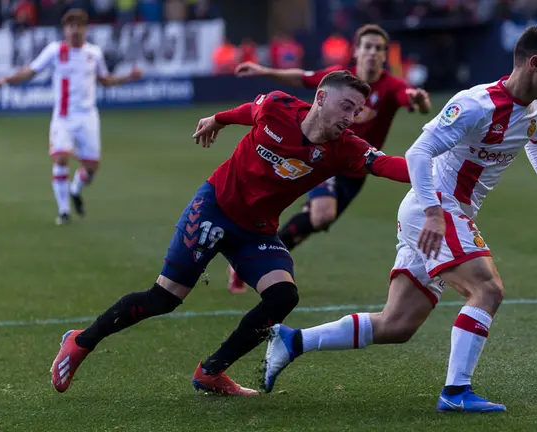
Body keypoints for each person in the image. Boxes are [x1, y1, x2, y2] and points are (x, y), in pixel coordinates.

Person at [261, 26, 537, 413]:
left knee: (397, 325)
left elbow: (536, 137)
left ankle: (292, 341)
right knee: (487, 290)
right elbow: (419, 152)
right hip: (436, 208)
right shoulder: (476, 104)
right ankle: (456, 393)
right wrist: (433, 212)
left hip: (443, 214)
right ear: (534, 63)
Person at [49, 71, 411, 396]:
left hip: (256, 231)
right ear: (320, 97)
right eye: (346, 106)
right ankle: (80, 342)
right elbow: (249, 112)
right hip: (214, 208)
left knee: (283, 296)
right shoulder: (277, 106)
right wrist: (217, 119)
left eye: (356, 111)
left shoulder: (344, 147)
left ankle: (211, 372)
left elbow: (386, 164)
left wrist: (441, 171)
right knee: (164, 298)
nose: (350, 118)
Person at [228, 24, 431, 293]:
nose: (372, 53)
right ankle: (255, 255)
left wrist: (419, 101)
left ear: (385, 55)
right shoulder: (339, 82)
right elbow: (303, 77)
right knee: (323, 213)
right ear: (356, 51)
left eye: (379, 48)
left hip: (357, 169)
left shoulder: (392, 85)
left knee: (316, 221)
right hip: (323, 157)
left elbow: (412, 99)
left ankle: (253, 258)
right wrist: (264, 70)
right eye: (367, 46)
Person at [0, 9, 143, 225]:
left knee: (91, 169)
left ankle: (75, 190)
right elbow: (31, 71)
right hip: (63, 117)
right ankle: (63, 211)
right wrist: (6, 80)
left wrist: (128, 77)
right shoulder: (55, 51)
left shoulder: (94, 53)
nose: (74, 30)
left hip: (88, 118)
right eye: (70, 26)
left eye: (78, 25)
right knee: (61, 157)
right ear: (65, 29)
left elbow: (105, 80)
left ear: (85, 29)